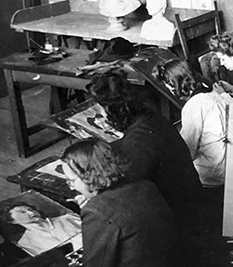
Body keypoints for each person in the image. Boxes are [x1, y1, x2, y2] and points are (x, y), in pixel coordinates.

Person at [86, 70, 203, 230]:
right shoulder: (150, 117)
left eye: (101, 108)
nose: (99, 113)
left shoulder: (137, 142)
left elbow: (130, 196)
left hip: (178, 217)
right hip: (191, 200)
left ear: (113, 110)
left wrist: (95, 197)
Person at [61, 139, 178, 267]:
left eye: (71, 181)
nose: (71, 187)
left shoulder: (96, 211)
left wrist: (94, 208)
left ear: (87, 176)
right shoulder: (146, 186)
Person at [152, 58, 230, 188]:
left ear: (174, 85)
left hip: (214, 173)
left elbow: (187, 150)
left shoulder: (194, 106)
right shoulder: (213, 94)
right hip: (229, 162)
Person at [0, 202, 82, 256]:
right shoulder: (25, 243)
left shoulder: (68, 218)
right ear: (12, 221)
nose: (31, 213)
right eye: (22, 212)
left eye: (30, 209)